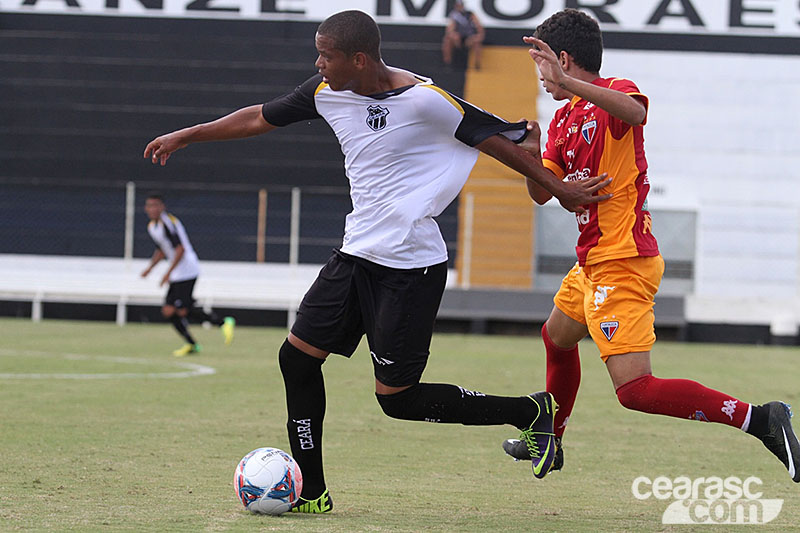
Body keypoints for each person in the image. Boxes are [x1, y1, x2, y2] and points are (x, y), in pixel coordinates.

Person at [143, 10, 613, 513]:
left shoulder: (426, 101)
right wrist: (188, 135)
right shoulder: (327, 91)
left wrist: (559, 187)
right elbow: (261, 115)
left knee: (398, 400)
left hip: (411, 268)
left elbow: (503, 143)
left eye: (327, 55)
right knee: (296, 359)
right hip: (355, 256)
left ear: (359, 59)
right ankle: (311, 491)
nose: (319, 63)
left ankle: (529, 410)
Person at [502, 8, 800, 483]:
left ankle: (761, 419)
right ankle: (549, 437)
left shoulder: (614, 93)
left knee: (635, 390)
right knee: (555, 337)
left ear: (561, 59)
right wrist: (532, 156)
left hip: (623, 261)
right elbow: (546, 194)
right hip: (592, 264)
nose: (540, 77)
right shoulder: (560, 121)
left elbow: (636, 112)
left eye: (541, 65)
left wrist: (567, 81)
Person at [141, 194, 235, 356]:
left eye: (156, 205)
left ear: (162, 207)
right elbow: (163, 249)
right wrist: (150, 268)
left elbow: (180, 249)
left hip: (187, 270)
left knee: (181, 310)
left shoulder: (167, 223)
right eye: (149, 205)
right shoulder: (152, 227)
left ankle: (222, 323)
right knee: (170, 311)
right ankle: (193, 343)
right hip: (178, 271)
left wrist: (167, 273)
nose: (152, 209)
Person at [441, 0, 484, 70]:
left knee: (477, 43)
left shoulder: (470, 14)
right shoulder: (454, 15)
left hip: (470, 37)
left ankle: (477, 64)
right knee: (447, 41)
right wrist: (454, 36)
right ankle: (447, 63)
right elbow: (450, 30)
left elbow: (479, 27)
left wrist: (476, 37)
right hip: (459, 38)